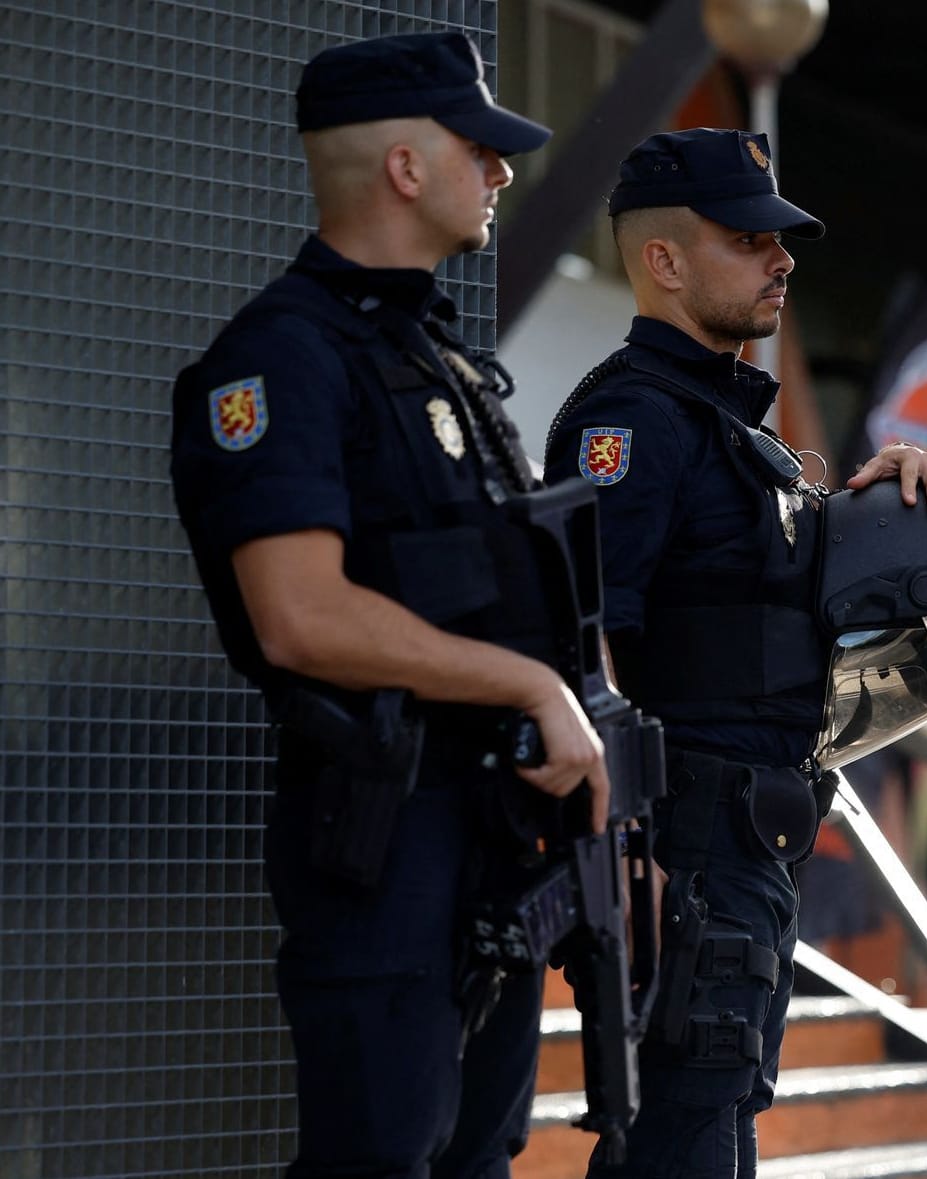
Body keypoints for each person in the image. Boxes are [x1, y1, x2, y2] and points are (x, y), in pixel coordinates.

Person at [168, 33, 611, 1178]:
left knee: (477, 1161)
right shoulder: (280, 361)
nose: (502, 173)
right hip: (385, 844)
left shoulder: (441, 363)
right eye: (481, 149)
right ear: (406, 169)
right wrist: (528, 686)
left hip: (493, 845)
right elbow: (299, 617)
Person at [543, 128, 927, 1179]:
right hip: (680, 856)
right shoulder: (631, 425)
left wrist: (878, 509)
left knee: (713, 1130)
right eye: (748, 239)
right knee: (682, 1143)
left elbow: (769, 621)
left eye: (780, 240)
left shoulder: (740, 441)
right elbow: (579, 646)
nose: (781, 259)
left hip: (745, 856)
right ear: (664, 261)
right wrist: (622, 856)